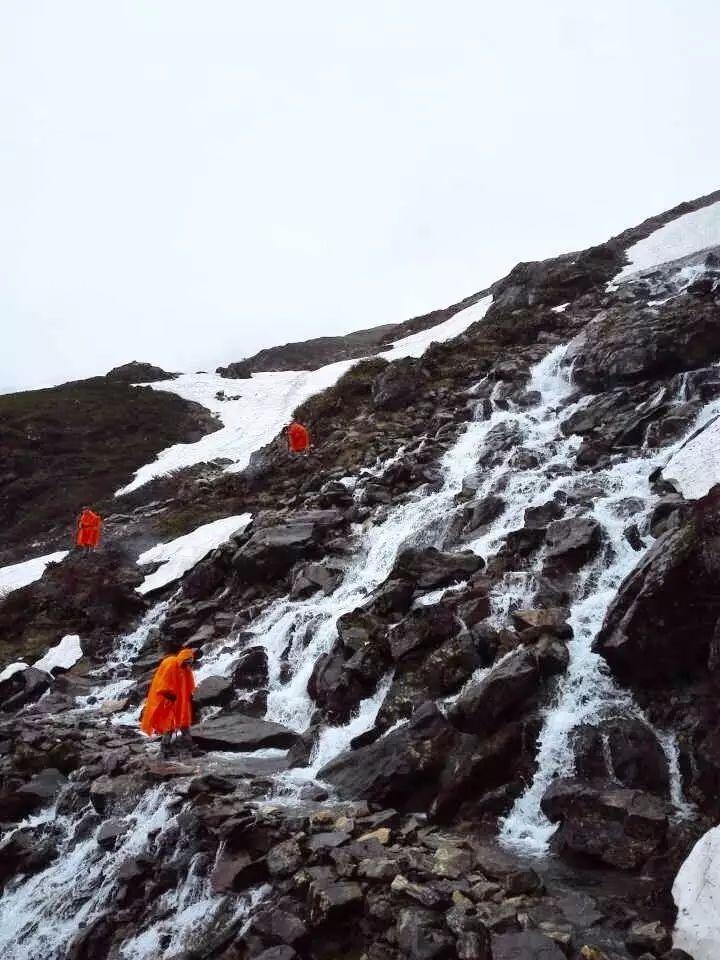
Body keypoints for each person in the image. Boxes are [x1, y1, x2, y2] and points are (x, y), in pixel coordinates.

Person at [140, 640, 196, 757]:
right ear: (182, 658)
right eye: (187, 662)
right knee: (169, 723)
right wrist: (167, 694)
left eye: (190, 662)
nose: (188, 665)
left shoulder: (186, 668)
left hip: (180, 699)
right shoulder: (170, 663)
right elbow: (162, 682)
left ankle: (190, 747)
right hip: (167, 699)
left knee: (184, 721)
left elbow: (189, 684)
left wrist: (190, 695)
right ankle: (164, 749)